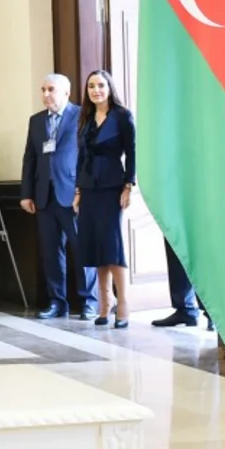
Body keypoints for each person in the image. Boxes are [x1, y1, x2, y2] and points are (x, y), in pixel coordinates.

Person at [21, 73, 97, 320]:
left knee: (82, 247)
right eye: (43, 89)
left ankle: (89, 301)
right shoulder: (36, 121)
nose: (45, 94)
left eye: (51, 89)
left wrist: (83, 189)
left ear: (66, 92)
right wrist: (26, 193)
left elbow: (89, 154)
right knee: (51, 252)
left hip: (73, 193)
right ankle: (57, 302)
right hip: (44, 195)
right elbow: (30, 158)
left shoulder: (81, 115)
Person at [73, 70, 135, 330]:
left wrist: (128, 185)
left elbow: (132, 152)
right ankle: (104, 301)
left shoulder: (122, 116)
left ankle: (123, 303)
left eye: (100, 85)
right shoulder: (86, 118)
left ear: (109, 88)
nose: (96, 90)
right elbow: (81, 156)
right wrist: (78, 191)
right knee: (96, 244)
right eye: (91, 86)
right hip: (89, 188)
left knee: (112, 245)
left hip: (111, 186)